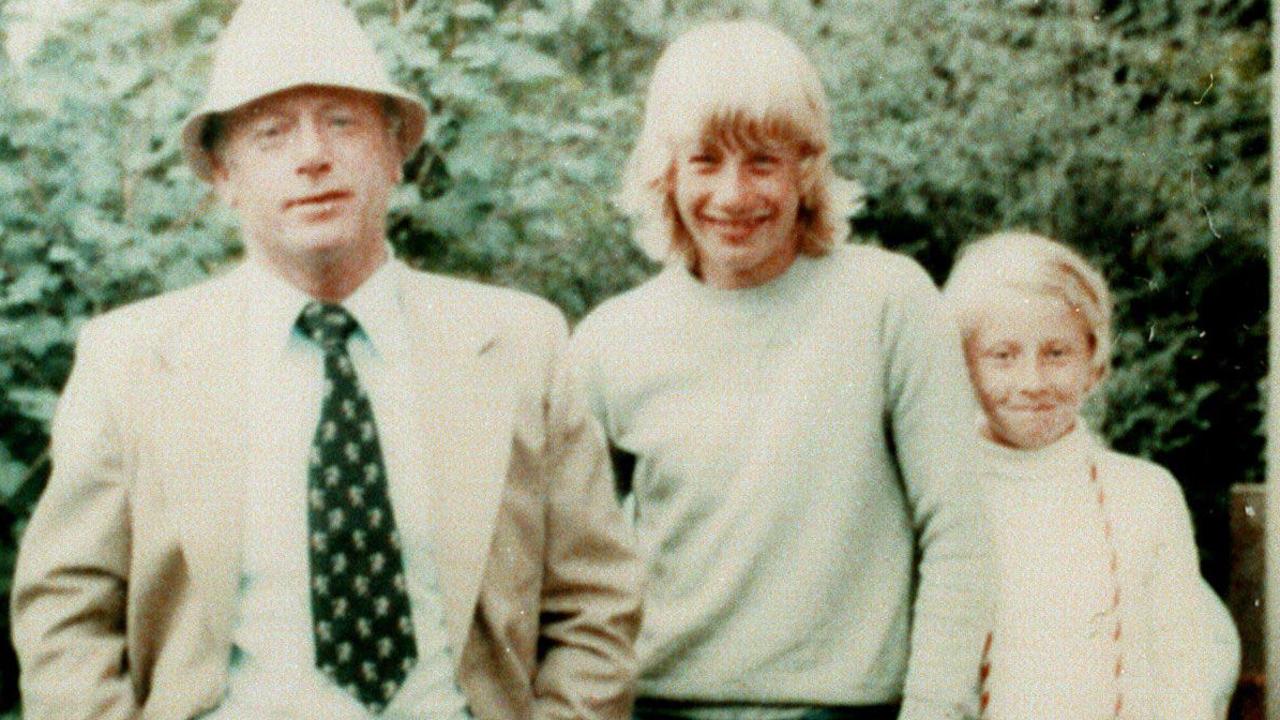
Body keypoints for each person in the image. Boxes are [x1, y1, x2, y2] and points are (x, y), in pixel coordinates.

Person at [9, 1, 641, 718]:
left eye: (341, 121)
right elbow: (65, 612)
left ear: (395, 147)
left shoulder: (520, 346)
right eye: (271, 133)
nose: (313, 155)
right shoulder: (132, 360)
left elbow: (596, 603)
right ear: (223, 173)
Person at [569, 20, 992, 720]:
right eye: (705, 161)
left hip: (851, 710)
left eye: (762, 162)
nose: (733, 197)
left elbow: (957, 533)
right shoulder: (609, 341)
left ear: (807, 166)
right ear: (665, 171)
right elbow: (571, 575)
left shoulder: (890, 302)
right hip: (657, 705)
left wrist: (935, 711)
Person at [943, 231, 1239, 719]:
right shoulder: (940, 495)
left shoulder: (1146, 495)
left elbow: (1186, 666)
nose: (1032, 382)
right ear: (964, 366)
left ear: (1095, 364)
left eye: (1057, 353)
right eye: (1003, 355)